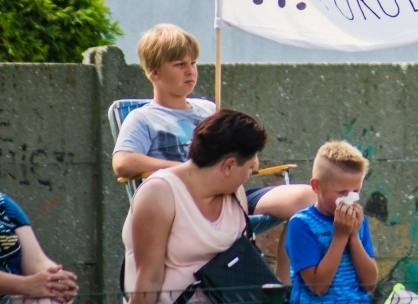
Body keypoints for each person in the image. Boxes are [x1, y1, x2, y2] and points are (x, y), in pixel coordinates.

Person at [112, 23, 316, 282]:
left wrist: (248, 155)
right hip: (183, 204)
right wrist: (186, 169)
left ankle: (283, 287)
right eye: (180, 64)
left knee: (309, 199)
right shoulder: (142, 118)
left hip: (231, 195)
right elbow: (123, 162)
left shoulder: (207, 109)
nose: (190, 70)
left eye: (193, 63)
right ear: (154, 72)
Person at [118, 109, 302, 304]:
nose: (250, 175)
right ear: (228, 166)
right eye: (248, 169)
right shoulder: (160, 193)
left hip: (234, 303)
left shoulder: (234, 193)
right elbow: (148, 280)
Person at [286, 141, 418, 304]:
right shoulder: (301, 224)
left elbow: (369, 283)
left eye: (355, 191)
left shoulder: (359, 222)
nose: (349, 200)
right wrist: (340, 237)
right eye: (342, 193)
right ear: (317, 186)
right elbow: (319, 287)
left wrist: (353, 237)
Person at [0, 193, 78, 304]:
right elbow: (29, 285)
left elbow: (36, 261)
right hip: (17, 293)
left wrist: (56, 280)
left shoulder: (4, 205)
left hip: (9, 300)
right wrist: (27, 285)